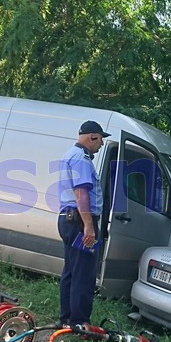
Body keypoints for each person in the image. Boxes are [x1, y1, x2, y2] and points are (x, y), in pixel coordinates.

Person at [57, 120, 111, 327]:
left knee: (71, 270)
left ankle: (67, 319)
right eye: (101, 139)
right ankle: (80, 322)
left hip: (67, 218)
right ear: (92, 137)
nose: (102, 144)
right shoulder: (81, 159)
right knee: (84, 272)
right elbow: (81, 193)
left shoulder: (69, 154)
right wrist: (89, 226)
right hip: (80, 221)